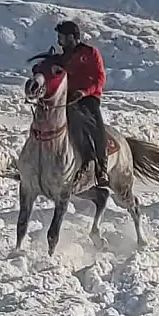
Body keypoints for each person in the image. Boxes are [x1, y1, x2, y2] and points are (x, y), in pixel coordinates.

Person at [55, 20, 110, 190]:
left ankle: (100, 165)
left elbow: (100, 78)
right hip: (66, 98)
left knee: (95, 127)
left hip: (88, 97)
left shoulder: (90, 52)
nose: (60, 40)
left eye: (62, 37)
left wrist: (85, 92)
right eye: (59, 37)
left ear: (73, 37)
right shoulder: (61, 58)